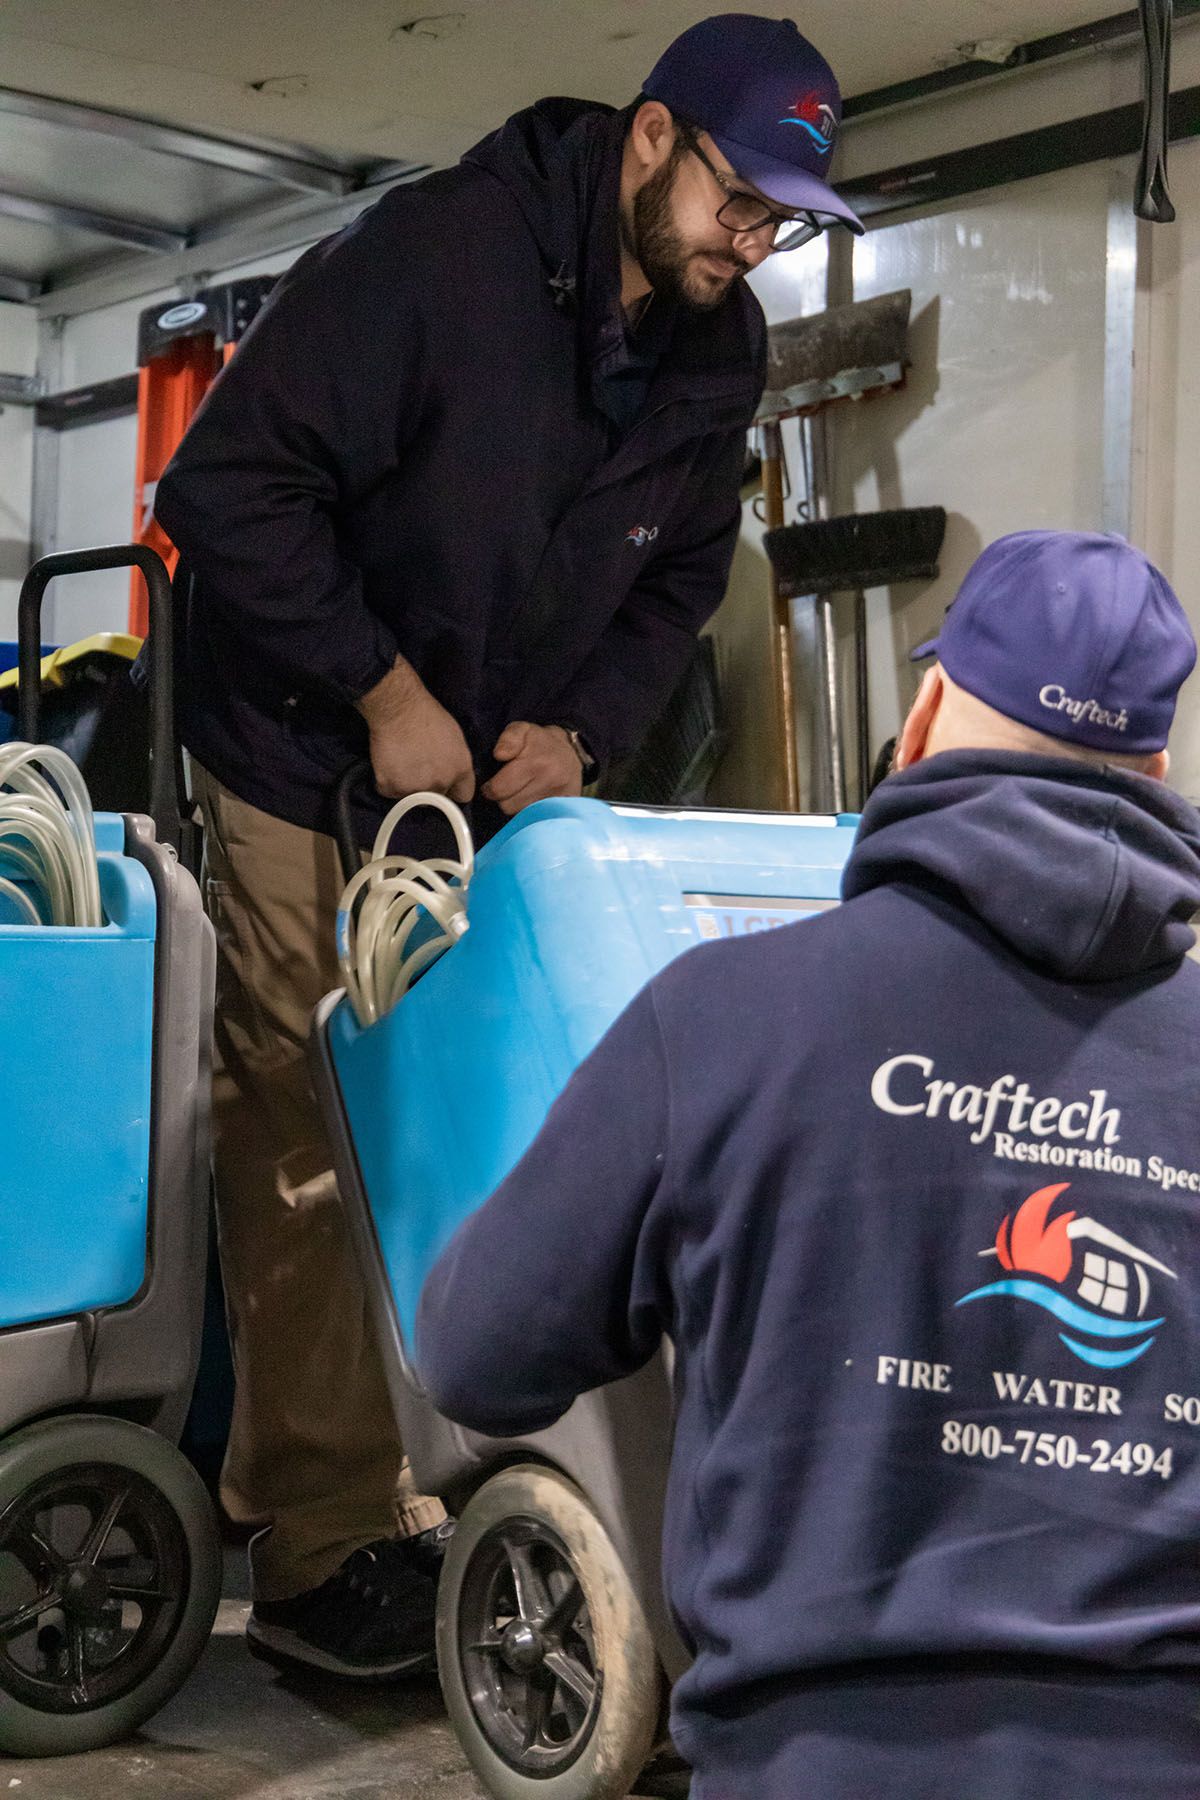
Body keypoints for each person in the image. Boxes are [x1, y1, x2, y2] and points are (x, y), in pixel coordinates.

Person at [153, 14, 863, 1678]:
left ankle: (452, 1475)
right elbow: (222, 488)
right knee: (304, 1129)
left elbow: (683, 576)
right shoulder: (437, 257)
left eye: (775, 221)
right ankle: (324, 1544)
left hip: (486, 786)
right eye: (734, 202)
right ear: (650, 140)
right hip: (297, 756)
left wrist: (591, 731)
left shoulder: (720, 348)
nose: (748, 243)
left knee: (480, 1113)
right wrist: (380, 685)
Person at [416, 531, 1200, 1798]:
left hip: (819, 1764)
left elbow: (476, 1353)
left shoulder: (724, 1018)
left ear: (929, 707)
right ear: (1156, 767)